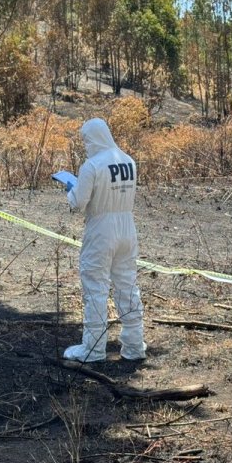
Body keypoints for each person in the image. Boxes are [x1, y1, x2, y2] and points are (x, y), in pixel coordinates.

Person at [62, 118, 146, 362]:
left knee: (95, 287)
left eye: (86, 139)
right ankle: (133, 345)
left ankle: (93, 348)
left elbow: (79, 202)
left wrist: (70, 188)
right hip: (127, 228)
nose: (86, 144)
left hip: (101, 229)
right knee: (127, 284)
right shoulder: (128, 161)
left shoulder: (92, 165)